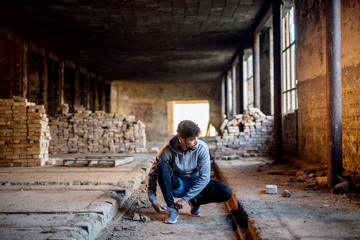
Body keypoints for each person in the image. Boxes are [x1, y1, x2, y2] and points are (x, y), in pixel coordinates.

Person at [147, 120, 232, 224]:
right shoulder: (167, 150)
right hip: (178, 184)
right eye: (192, 139)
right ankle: (172, 209)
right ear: (181, 140)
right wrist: (153, 202)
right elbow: (151, 175)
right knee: (162, 166)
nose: (196, 141)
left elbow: (205, 178)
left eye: (196, 138)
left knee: (226, 193)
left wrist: (186, 199)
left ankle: (196, 201)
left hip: (196, 182)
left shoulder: (202, 147)